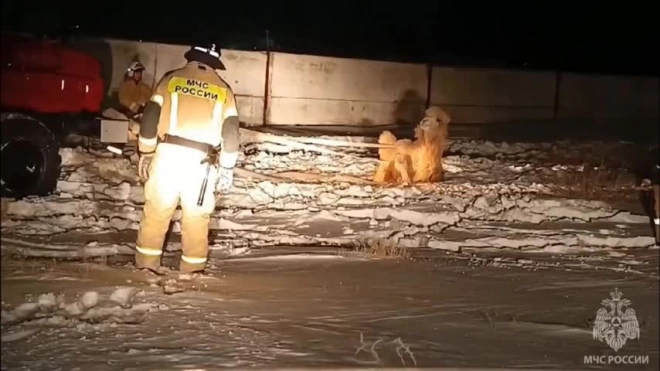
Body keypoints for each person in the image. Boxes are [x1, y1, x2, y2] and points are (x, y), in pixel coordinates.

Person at [134, 43, 240, 275]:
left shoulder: (170, 80)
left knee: (156, 213)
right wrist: (227, 167)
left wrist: (146, 152)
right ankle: (192, 273)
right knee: (196, 218)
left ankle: (145, 268)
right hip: (200, 164)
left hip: (167, 158)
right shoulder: (224, 89)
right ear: (215, 63)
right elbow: (231, 131)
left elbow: (150, 116)